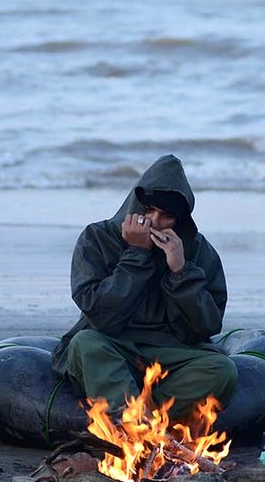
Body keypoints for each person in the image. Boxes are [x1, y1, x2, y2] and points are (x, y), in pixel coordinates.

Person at [52, 154, 237, 418]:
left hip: (171, 351)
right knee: (84, 344)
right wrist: (136, 254)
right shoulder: (98, 237)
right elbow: (100, 314)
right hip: (110, 342)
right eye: (148, 210)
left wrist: (180, 271)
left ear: (180, 221)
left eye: (166, 216)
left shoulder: (198, 250)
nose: (154, 221)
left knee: (222, 370)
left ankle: (139, 422)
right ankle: (136, 424)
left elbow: (204, 327)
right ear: (135, 204)